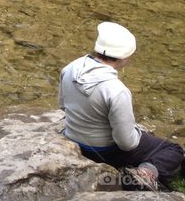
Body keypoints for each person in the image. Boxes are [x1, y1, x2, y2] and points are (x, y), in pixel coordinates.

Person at [59, 22, 184, 191]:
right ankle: (142, 175)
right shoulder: (117, 90)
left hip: (72, 138)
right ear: (124, 57)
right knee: (173, 150)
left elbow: (63, 106)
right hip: (103, 151)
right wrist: (137, 131)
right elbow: (127, 144)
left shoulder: (70, 68)